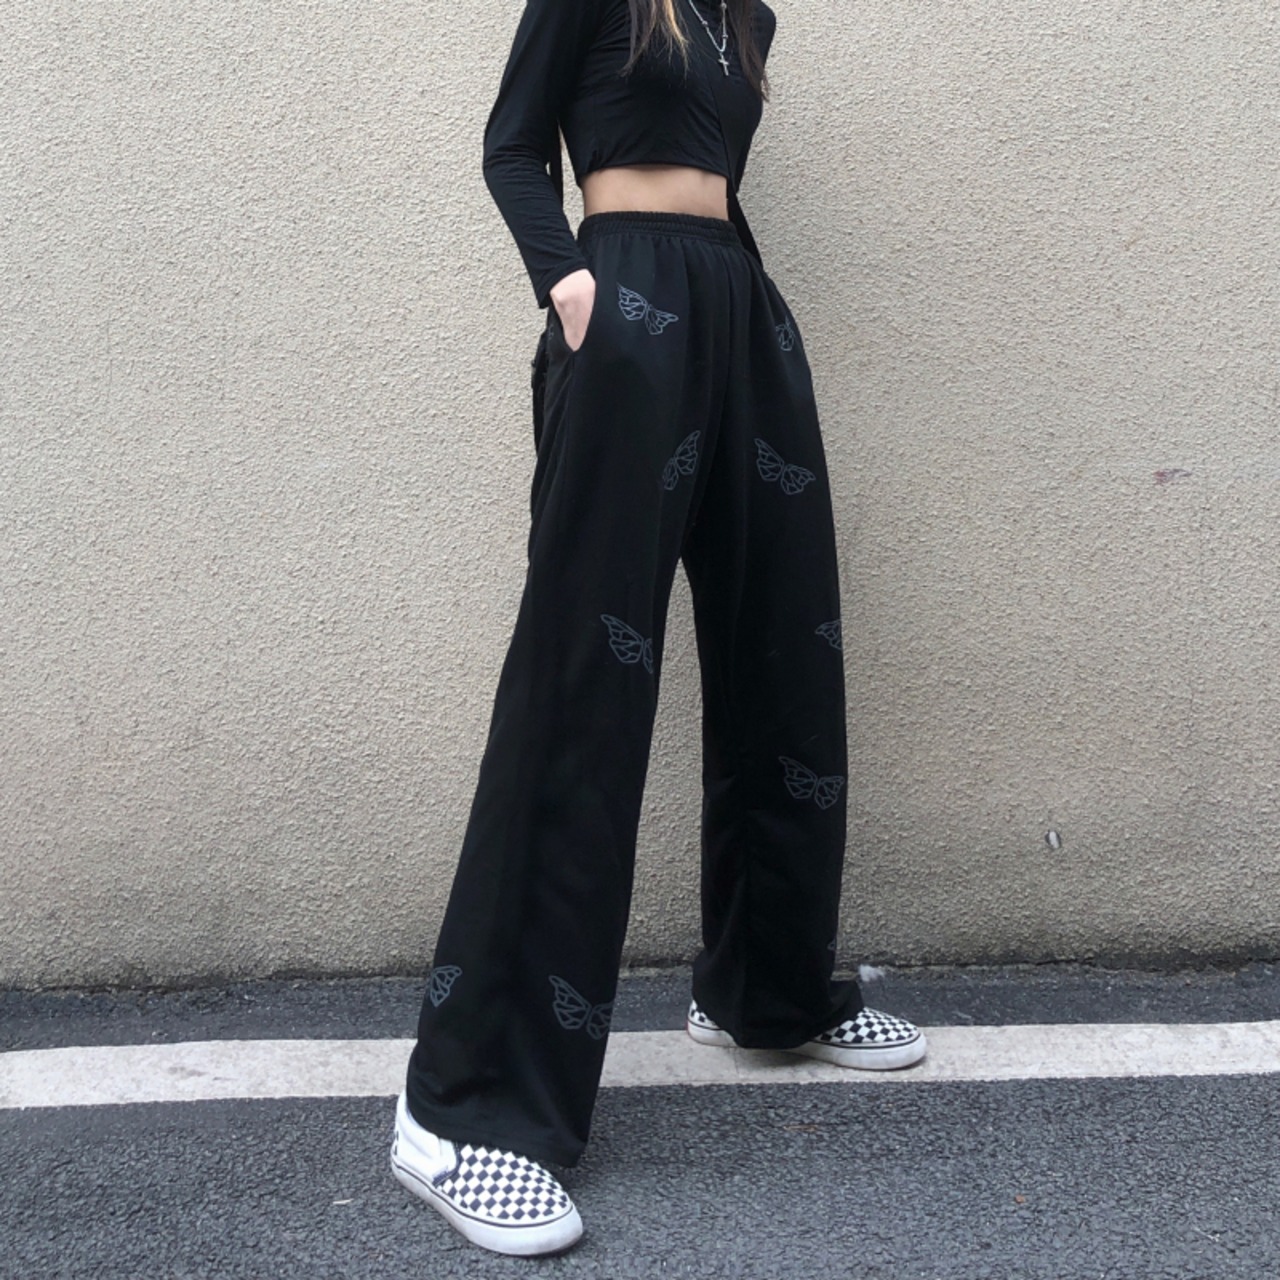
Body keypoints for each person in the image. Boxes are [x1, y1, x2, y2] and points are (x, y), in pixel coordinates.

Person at [390, 0, 927, 1257]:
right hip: (622, 303)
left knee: (782, 651)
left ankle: (766, 990)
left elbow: (711, 179)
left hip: (736, 307)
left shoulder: (746, 17)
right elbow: (509, 146)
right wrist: (569, 283)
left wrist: (747, 312)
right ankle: (464, 1106)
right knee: (579, 683)